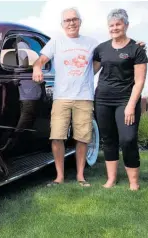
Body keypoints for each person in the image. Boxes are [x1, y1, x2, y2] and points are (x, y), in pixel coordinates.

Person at [32, 7, 99, 187]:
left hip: (84, 97)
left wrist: (87, 75)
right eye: (67, 20)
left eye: (74, 19)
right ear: (62, 24)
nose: (71, 23)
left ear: (80, 22)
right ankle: (59, 176)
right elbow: (40, 60)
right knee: (57, 136)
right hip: (61, 97)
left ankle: (80, 176)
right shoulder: (56, 42)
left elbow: (102, 60)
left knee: (83, 137)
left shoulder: (91, 43)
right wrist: (37, 68)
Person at [92, 9, 148, 191]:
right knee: (108, 140)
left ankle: (133, 181)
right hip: (102, 100)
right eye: (111, 25)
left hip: (126, 100)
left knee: (128, 139)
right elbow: (89, 71)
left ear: (126, 25)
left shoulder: (136, 49)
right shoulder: (101, 49)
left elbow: (139, 81)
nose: (114, 28)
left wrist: (131, 105)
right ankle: (111, 179)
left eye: (118, 24)